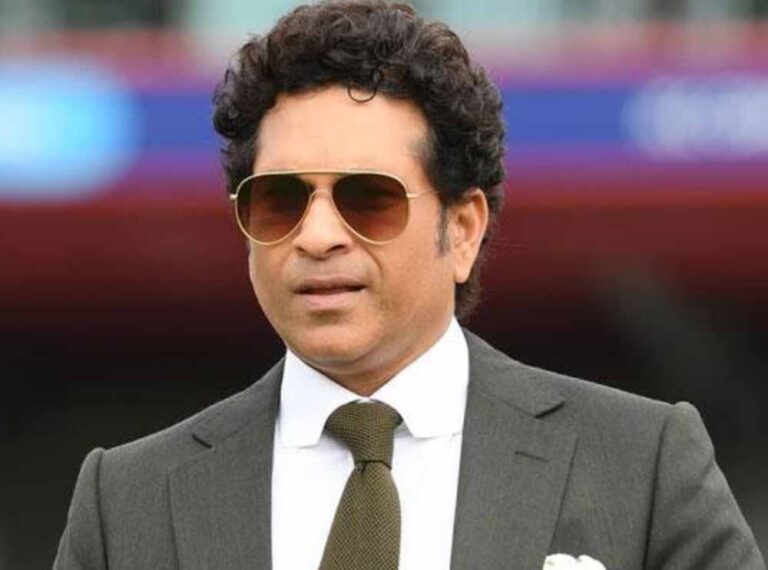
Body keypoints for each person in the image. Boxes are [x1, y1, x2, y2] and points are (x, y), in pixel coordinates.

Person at [55, 1, 765, 569]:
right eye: (279, 201)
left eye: (368, 198)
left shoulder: (643, 465)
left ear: (463, 229)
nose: (317, 235)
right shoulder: (126, 500)